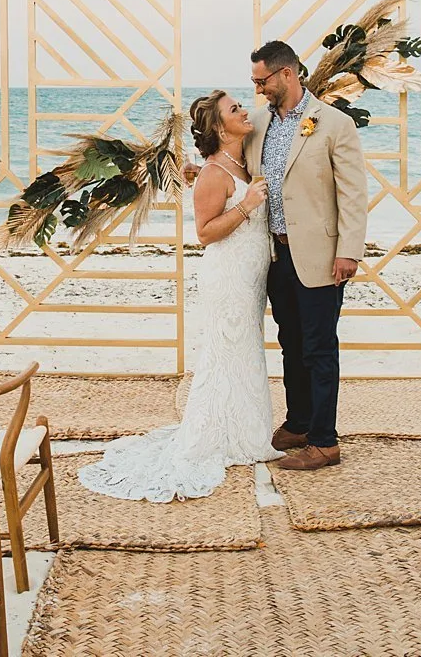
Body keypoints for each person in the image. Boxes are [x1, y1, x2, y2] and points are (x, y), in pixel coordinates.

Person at [77, 90, 281, 502]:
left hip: (251, 275)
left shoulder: (240, 160)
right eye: (234, 109)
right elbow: (204, 233)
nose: (244, 111)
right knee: (226, 352)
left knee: (245, 352)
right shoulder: (214, 172)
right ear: (220, 128)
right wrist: (248, 205)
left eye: (241, 105)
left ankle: (243, 429)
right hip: (228, 277)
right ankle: (214, 436)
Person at [247, 40, 368, 470]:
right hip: (276, 256)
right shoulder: (259, 123)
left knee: (319, 348)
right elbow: (236, 166)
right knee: (290, 343)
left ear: (288, 74)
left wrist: (349, 251)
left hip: (321, 256)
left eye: (263, 80)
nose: (259, 89)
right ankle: (298, 422)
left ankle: (324, 441)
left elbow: (352, 193)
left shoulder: (334, 124)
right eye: (255, 81)